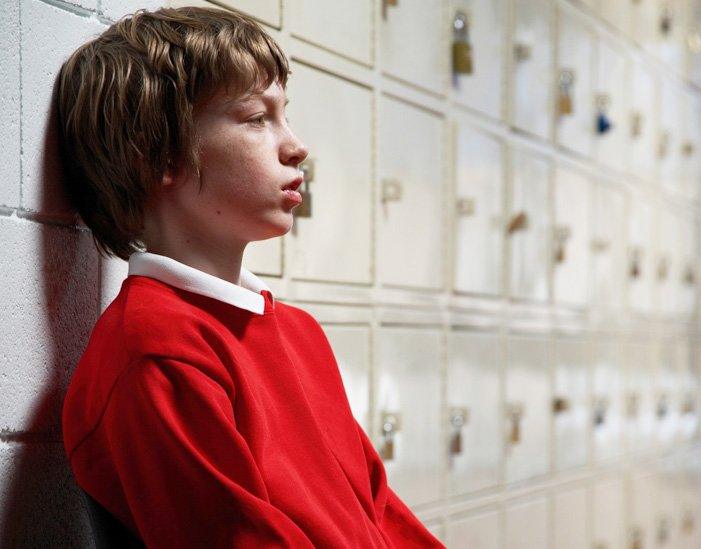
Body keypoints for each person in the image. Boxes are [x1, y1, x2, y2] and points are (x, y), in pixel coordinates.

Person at [56, 6, 444, 547]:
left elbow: (381, 516)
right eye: (256, 118)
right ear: (158, 155)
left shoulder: (297, 333)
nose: (296, 146)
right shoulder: (154, 351)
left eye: (284, 114)